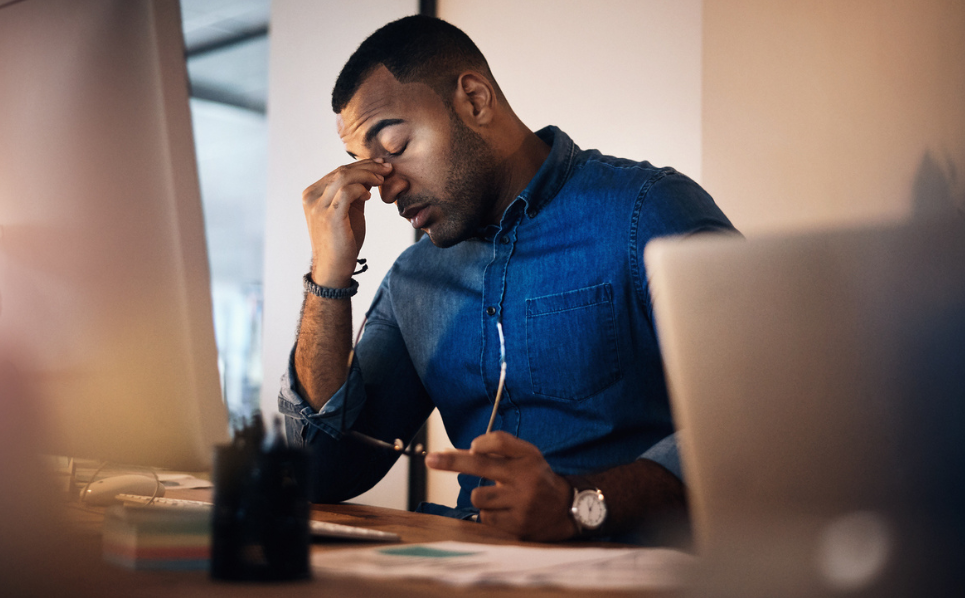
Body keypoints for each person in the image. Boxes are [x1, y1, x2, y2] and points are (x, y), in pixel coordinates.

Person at [278, 15, 736, 542]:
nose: (385, 189)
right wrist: (327, 276)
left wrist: (578, 504)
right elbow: (322, 473)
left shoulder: (647, 212)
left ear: (474, 99)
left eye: (396, 147)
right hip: (469, 577)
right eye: (366, 166)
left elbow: (759, 415)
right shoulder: (414, 280)